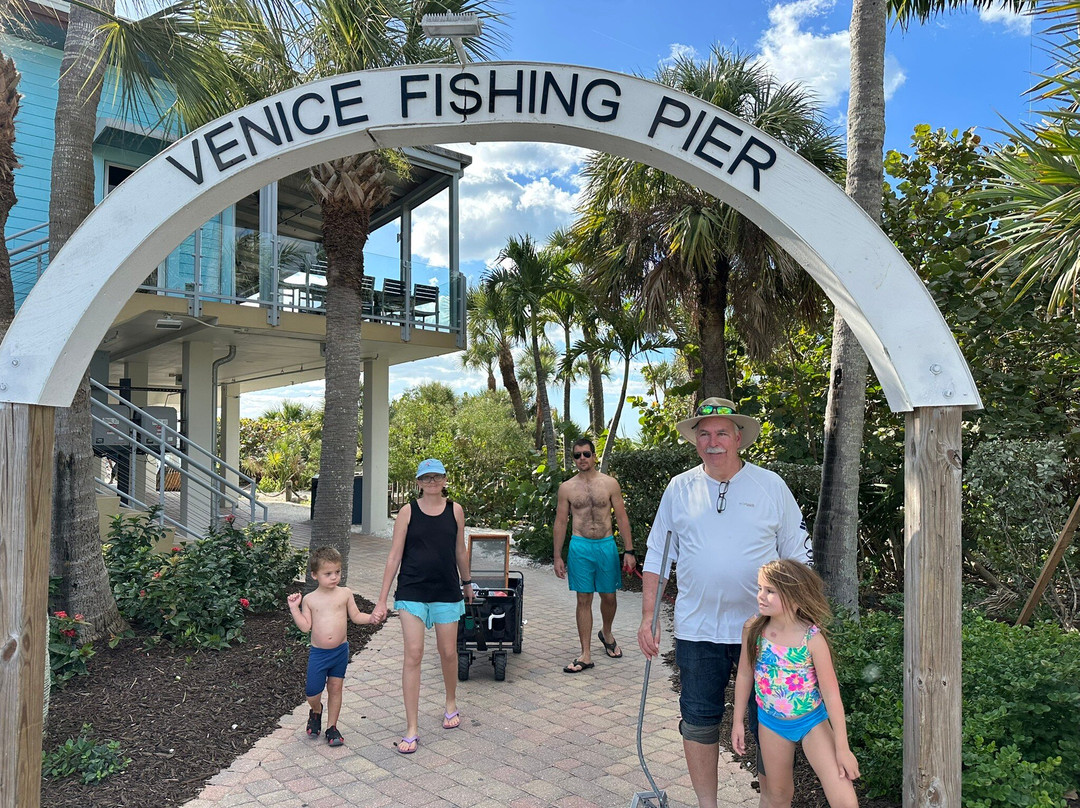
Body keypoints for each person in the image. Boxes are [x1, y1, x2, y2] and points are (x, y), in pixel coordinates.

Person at [637, 397, 811, 808]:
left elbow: (799, 557)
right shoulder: (679, 488)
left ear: (738, 437)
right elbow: (657, 555)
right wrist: (648, 617)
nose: (712, 442)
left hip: (766, 633)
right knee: (698, 720)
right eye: (704, 434)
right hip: (698, 629)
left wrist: (797, 621)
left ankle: (772, 803)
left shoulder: (771, 486)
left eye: (721, 433)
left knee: (770, 722)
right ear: (695, 440)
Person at [731, 560, 859, 808]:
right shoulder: (753, 630)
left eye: (770, 591)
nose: (760, 596)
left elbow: (832, 695)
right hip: (771, 724)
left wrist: (842, 748)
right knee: (778, 796)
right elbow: (745, 675)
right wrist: (738, 721)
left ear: (794, 597)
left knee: (844, 798)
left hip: (812, 722)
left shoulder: (812, 639)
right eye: (760, 588)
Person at [370, 458, 473, 755]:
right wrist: (381, 599)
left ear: (445, 479)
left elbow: (460, 550)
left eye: (437, 477)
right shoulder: (407, 512)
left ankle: (450, 703)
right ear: (418, 482)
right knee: (413, 654)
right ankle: (412, 727)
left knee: (448, 652)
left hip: (446, 590)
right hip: (412, 590)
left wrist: (467, 583)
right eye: (426, 478)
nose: (432, 482)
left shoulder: (455, 510)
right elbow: (394, 555)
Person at [553, 437, 635, 673]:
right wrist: (557, 556)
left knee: (609, 596)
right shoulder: (567, 488)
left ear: (594, 456)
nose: (582, 459)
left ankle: (606, 632)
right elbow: (561, 522)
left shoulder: (610, 484)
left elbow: (622, 517)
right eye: (577, 455)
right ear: (573, 458)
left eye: (586, 454)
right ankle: (585, 654)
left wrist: (629, 550)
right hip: (580, 546)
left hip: (606, 545)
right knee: (583, 598)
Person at [287, 545, 379, 748]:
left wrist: (371, 618)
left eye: (337, 572)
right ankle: (316, 710)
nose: (334, 577)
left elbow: (356, 616)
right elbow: (305, 627)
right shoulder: (310, 599)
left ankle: (332, 727)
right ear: (314, 575)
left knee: (336, 688)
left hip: (340, 651)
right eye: (328, 573)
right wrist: (294, 608)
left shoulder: (345, 593)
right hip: (319, 654)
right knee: (312, 693)